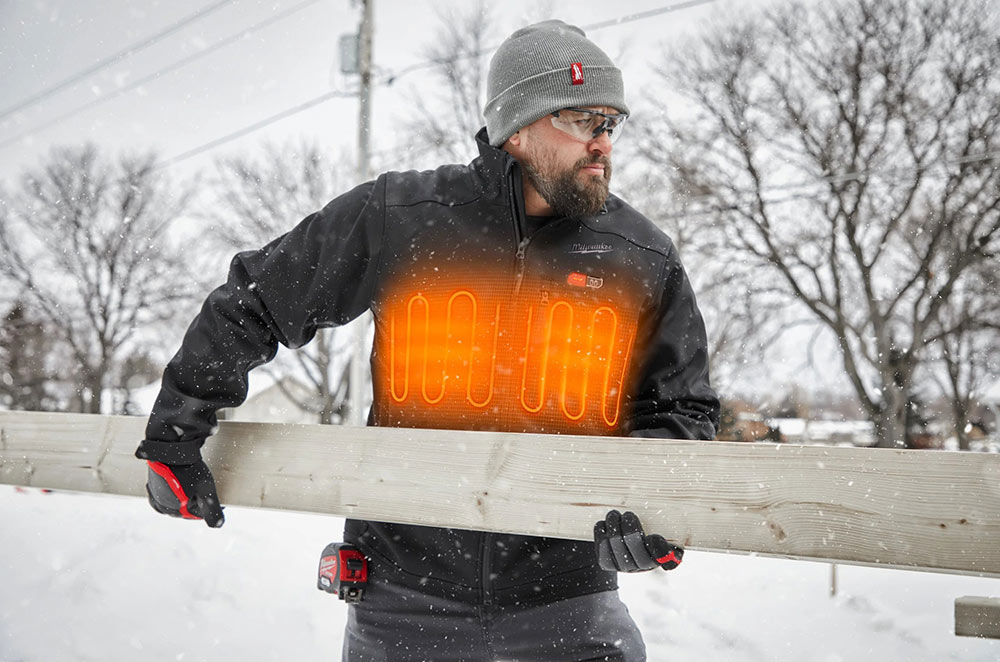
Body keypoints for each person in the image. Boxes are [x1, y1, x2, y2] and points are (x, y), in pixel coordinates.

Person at [136, 19, 719, 662]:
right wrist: (176, 430)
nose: (603, 143)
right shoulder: (403, 218)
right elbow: (256, 300)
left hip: (570, 609)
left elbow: (681, 412)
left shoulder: (640, 254)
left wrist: (660, 507)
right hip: (403, 609)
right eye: (583, 121)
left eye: (611, 124)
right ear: (517, 127)